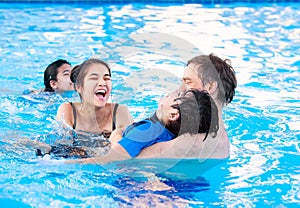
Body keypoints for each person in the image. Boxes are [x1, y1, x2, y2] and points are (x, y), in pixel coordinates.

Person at [66, 89, 219, 163]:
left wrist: (115, 135)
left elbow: (114, 156)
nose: (173, 91)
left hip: (90, 152)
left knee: (49, 149)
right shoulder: (169, 134)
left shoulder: (148, 130)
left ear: (173, 114)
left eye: (178, 94)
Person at [136, 53, 237, 159]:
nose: (180, 89)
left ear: (210, 86)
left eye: (188, 82)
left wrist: (117, 133)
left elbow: (123, 157)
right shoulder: (220, 138)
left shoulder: (192, 143)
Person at [52, 58, 134, 157]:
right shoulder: (68, 110)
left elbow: (130, 148)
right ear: (79, 87)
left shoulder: (119, 112)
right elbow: (63, 147)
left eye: (106, 78)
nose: (102, 83)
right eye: (94, 78)